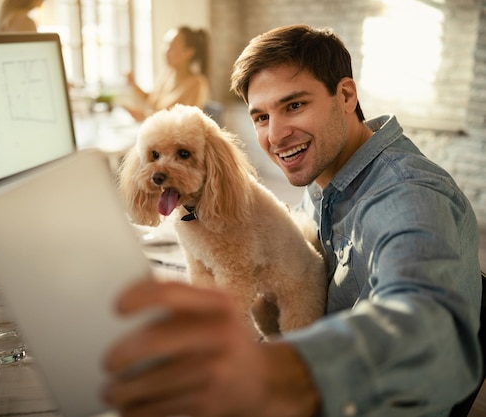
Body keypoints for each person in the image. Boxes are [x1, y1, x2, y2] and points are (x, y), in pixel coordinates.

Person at [102, 24, 483, 417]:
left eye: (294, 105)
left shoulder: (408, 197)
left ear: (346, 95)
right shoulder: (330, 175)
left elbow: (431, 328)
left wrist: (285, 370)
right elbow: (286, 245)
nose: (276, 135)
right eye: (261, 117)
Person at [124, 26, 210, 122]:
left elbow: (186, 123)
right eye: (165, 45)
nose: (165, 51)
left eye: (171, 47)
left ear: (189, 52)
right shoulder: (167, 74)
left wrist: (145, 117)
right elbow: (153, 101)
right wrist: (133, 84)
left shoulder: (197, 84)